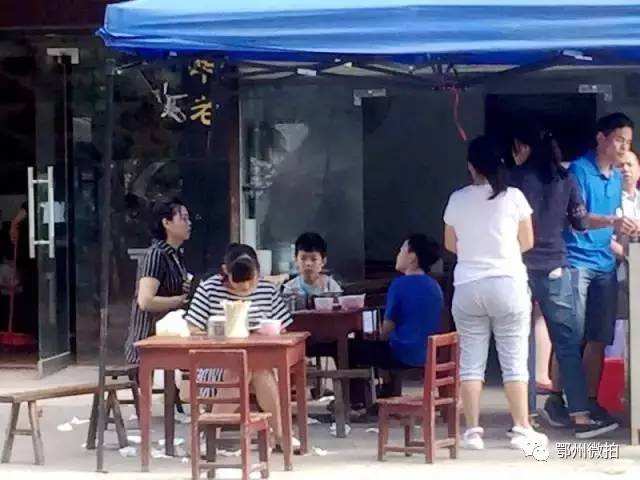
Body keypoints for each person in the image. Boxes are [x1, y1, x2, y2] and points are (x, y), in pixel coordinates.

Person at [510, 124, 618, 438]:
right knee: (567, 343)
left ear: (524, 149)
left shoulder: (514, 180)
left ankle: (524, 418)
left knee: (515, 343)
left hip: (518, 267)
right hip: (555, 266)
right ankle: (580, 415)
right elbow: (580, 222)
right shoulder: (566, 178)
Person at [443, 134, 547, 451]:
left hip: (468, 286)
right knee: (514, 360)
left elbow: (450, 244)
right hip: (507, 283)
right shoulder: (514, 198)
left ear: (471, 166)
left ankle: (472, 432)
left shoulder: (457, 199)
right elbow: (527, 241)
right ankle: (521, 428)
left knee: (470, 362)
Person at [184, 243, 297, 451]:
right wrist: (218, 331)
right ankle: (278, 435)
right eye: (238, 281)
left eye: (250, 280)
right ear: (225, 272)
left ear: (258, 271)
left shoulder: (268, 290)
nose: (245, 287)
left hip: (260, 363)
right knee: (243, 367)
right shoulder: (209, 288)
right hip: (215, 366)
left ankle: (208, 436)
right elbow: (193, 329)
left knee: (255, 366)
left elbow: (283, 329)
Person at [561, 113, 637, 424]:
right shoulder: (578, 170)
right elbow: (575, 217)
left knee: (599, 336)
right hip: (577, 259)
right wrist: (612, 222)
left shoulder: (617, 177)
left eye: (628, 142)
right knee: (570, 335)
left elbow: (615, 222)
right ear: (601, 138)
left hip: (605, 262)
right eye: (619, 139)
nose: (624, 147)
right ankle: (558, 398)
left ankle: (590, 400)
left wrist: (626, 229)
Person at [349, 234, 443, 397]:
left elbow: (387, 329)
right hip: (428, 353)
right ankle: (386, 391)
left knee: (350, 349)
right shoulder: (434, 285)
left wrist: (374, 334)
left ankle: (357, 398)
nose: (398, 254)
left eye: (401, 250)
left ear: (412, 257)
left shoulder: (399, 285)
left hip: (403, 353)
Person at [125, 198, 192, 365]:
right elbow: (145, 301)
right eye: (183, 218)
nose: (189, 223)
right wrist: (180, 300)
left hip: (168, 339)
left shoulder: (175, 255)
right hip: (149, 345)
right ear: (166, 223)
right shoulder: (156, 255)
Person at [283, 232, 342, 300]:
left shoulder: (331, 286)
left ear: (323, 261)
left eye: (314, 259)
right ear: (296, 260)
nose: (308, 263)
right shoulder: (290, 288)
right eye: (303, 259)